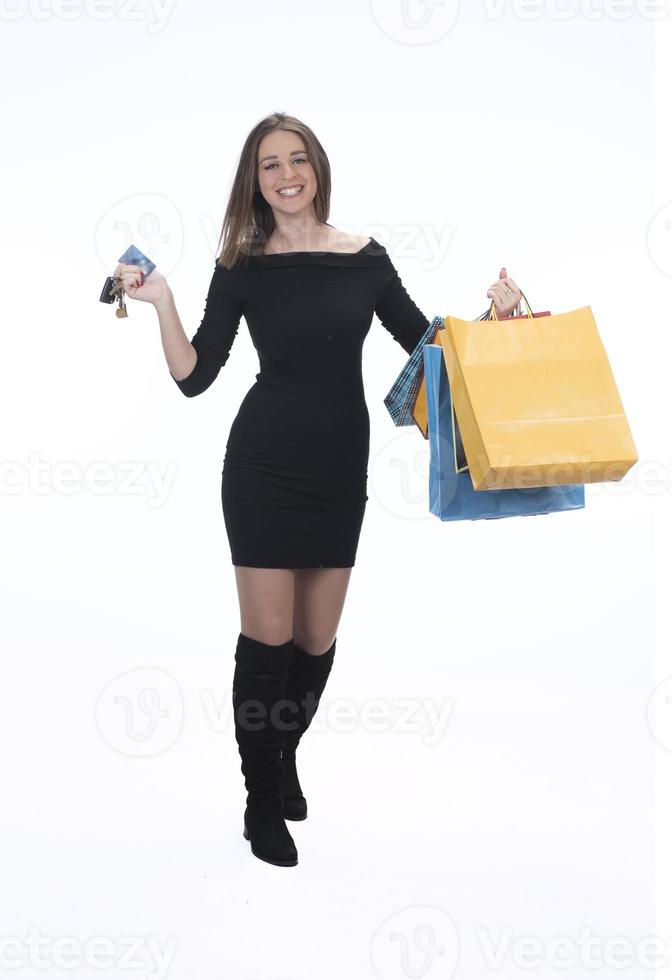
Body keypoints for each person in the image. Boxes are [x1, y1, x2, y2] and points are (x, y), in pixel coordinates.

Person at [113, 111, 522, 868]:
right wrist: (163, 301)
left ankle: (283, 751)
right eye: (270, 164)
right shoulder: (243, 262)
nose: (286, 174)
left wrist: (495, 323)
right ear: (254, 180)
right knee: (266, 643)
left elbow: (428, 348)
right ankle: (260, 799)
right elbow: (197, 376)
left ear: (317, 167)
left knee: (314, 642)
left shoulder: (364, 256)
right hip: (262, 468)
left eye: (296, 159)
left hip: (338, 470)